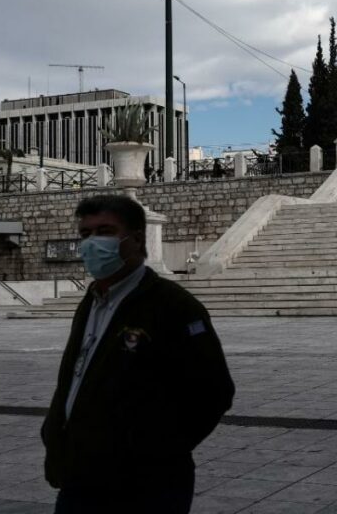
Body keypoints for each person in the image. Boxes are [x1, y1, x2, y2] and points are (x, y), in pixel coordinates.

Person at [41, 195, 235, 514]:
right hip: (79, 479)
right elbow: (76, 377)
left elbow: (214, 392)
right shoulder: (90, 301)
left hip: (144, 489)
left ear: (136, 239)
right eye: (86, 234)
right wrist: (54, 433)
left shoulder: (174, 307)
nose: (92, 243)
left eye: (105, 231)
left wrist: (154, 453)